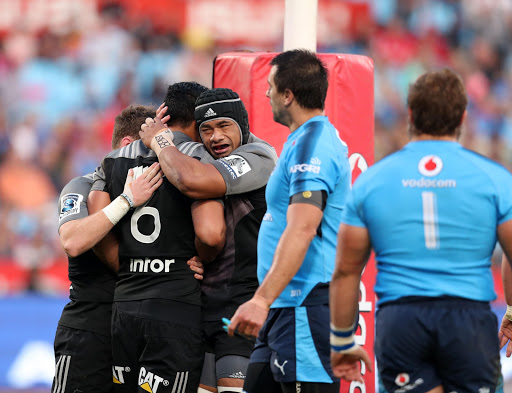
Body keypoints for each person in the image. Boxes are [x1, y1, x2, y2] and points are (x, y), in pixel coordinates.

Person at [330, 68, 512, 393]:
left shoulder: (372, 180)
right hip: (468, 319)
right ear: (463, 117)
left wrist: (343, 341)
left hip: (402, 320)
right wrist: (511, 309)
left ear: (410, 114)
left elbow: (345, 271)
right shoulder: (494, 178)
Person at [225, 49, 350, 393]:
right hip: (284, 307)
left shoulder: (312, 145)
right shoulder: (303, 141)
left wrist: (260, 299)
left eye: (270, 86)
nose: (265, 94)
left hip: (304, 305)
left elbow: (303, 227)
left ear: (288, 95)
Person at [89, 82, 226, 393]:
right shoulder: (197, 157)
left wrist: (126, 268)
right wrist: (202, 259)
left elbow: (97, 224)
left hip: (125, 304)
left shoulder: (114, 158)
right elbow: (210, 233)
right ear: (197, 119)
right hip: (174, 305)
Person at [139, 87, 276, 393]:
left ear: (242, 125)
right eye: (207, 129)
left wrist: (160, 140)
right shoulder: (201, 154)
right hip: (204, 305)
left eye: (224, 125)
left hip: (244, 302)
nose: (215, 137)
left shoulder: (260, 156)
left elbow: (193, 181)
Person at [52, 105, 165, 393]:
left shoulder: (163, 192)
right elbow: (72, 241)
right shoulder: (83, 185)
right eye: (154, 145)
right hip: (90, 330)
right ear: (129, 144)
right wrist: (126, 200)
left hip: (139, 332)